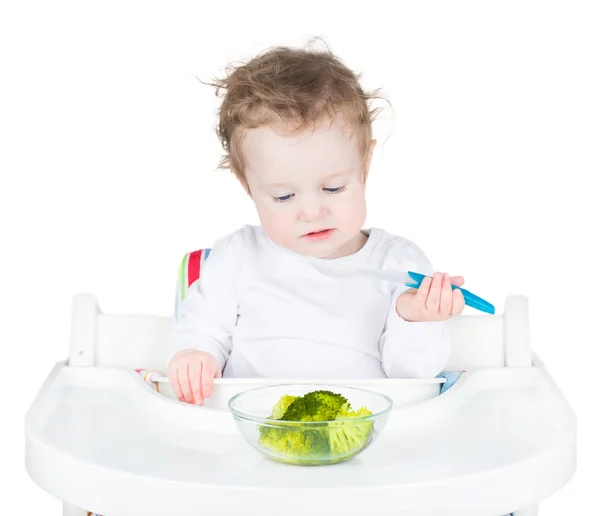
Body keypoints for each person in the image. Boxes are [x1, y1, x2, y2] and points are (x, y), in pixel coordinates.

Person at [166, 42, 465, 405]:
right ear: (248, 186)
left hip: (363, 437)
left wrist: (414, 318)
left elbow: (412, 378)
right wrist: (194, 355)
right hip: (248, 431)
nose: (311, 212)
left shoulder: (398, 266)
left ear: (364, 166)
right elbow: (200, 330)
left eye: (333, 188)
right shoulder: (237, 257)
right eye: (283, 197)